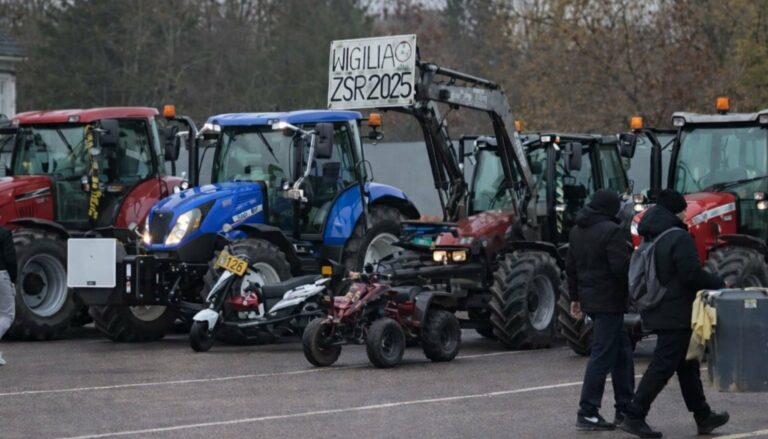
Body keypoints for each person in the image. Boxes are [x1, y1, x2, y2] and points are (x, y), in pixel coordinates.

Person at [619, 189, 729, 438]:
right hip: (676, 312)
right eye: (682, 209)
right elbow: (691, 274)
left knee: (687, 365)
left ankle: (703, 415)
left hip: (660, 307)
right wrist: (718, 282)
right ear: (677, 210)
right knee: (663, 366)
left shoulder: (652, 235)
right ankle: (635, 414)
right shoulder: (678, 237)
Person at [567, 189, 635, 431]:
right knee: (602, 355)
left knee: (622, 353)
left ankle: (625, 407)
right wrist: (635, 290)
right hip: (610, 302)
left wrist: (575, 298)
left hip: (591, 301)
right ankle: (588, 411)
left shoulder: (577, 231)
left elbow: (571, 268)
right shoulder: (613, 231)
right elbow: (621, 269)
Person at [0, 225, 17, 365]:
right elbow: (10, 259)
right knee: (7, 315)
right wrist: (13, 279)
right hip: (1, 274)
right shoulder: (4, 233)